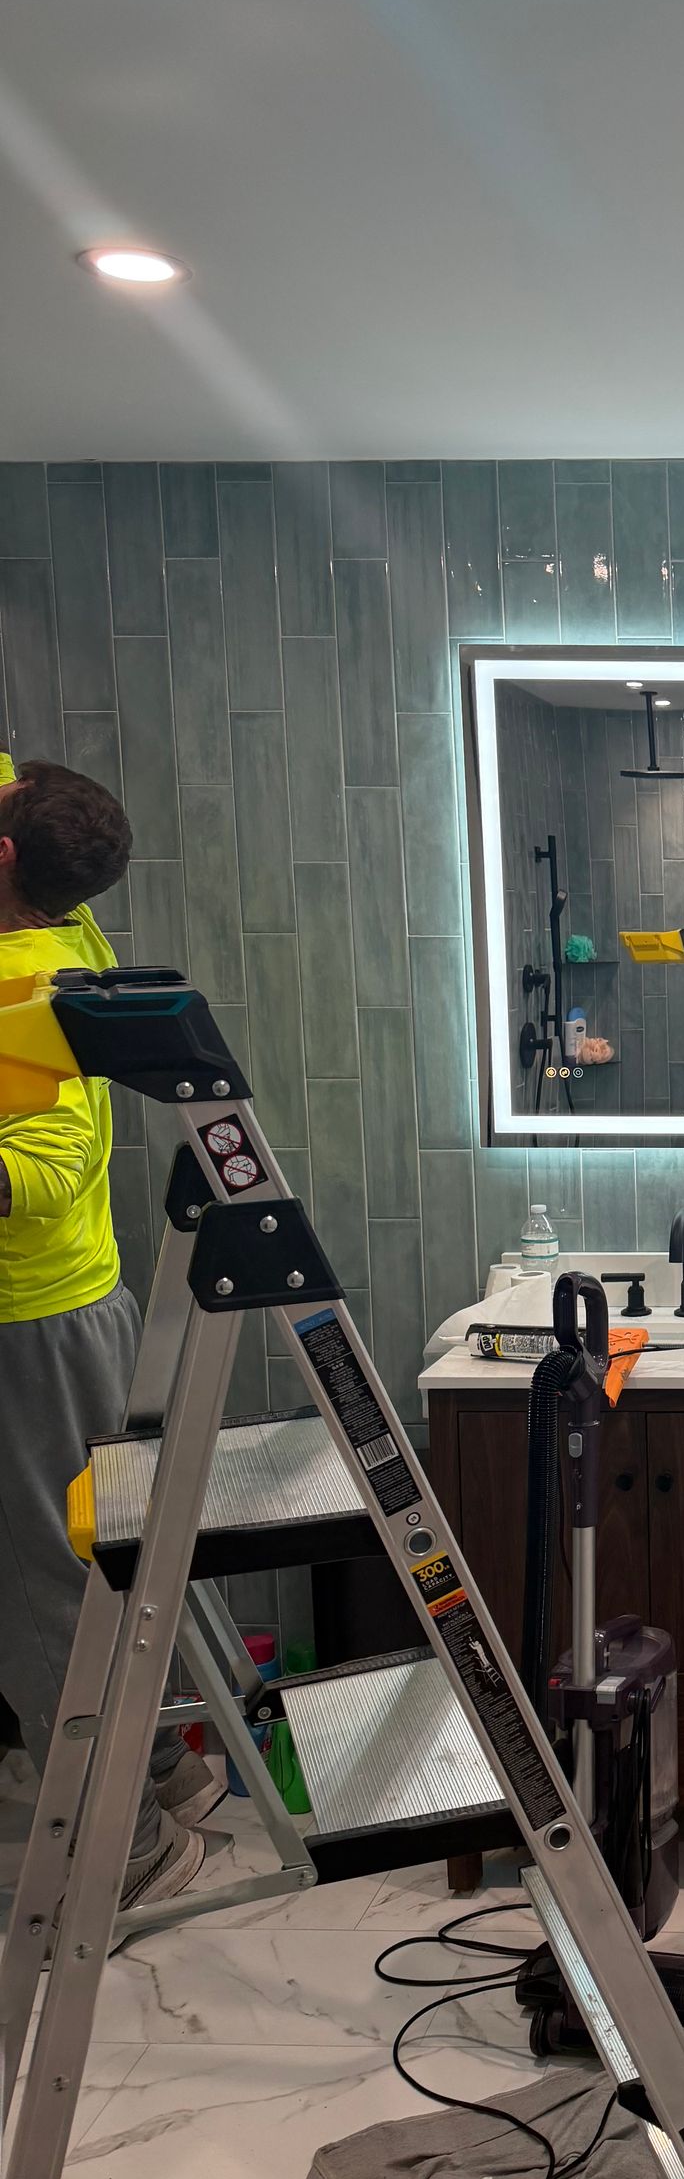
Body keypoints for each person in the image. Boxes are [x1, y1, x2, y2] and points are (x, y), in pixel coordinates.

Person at [0, 748, 224, 1906]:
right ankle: (162, 1779)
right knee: (98, 1564)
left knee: (43, 1585)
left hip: (30, 1318)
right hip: (71, 1306)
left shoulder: (27, 984)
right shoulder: (61, 921)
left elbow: (45, 1164)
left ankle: (124, 1845)